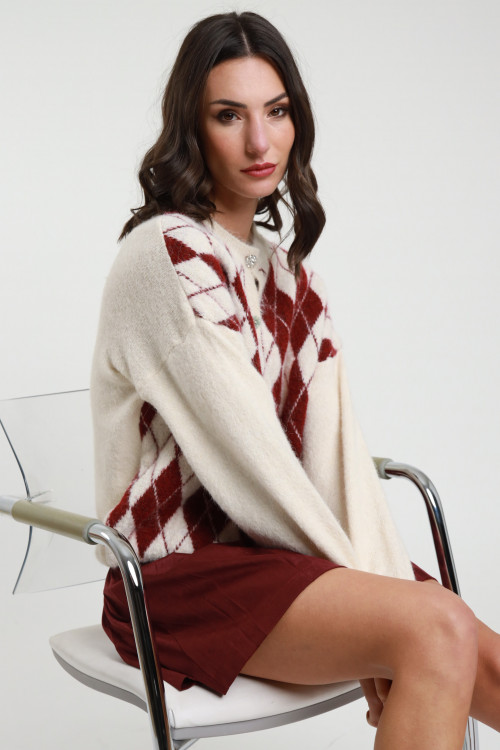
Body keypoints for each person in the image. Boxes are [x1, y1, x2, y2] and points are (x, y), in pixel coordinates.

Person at [91, 11, 500, 748]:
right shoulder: (167, 255)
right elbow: (260, 469)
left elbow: (335, 462)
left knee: (480, 652)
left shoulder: (290, 277)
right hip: (173, 581)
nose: (260, 142)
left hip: (275, 559)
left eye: (276, 112)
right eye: (229, 115)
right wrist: (388, 618)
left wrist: (384, 590)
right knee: (435, 628)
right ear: (192, 128)